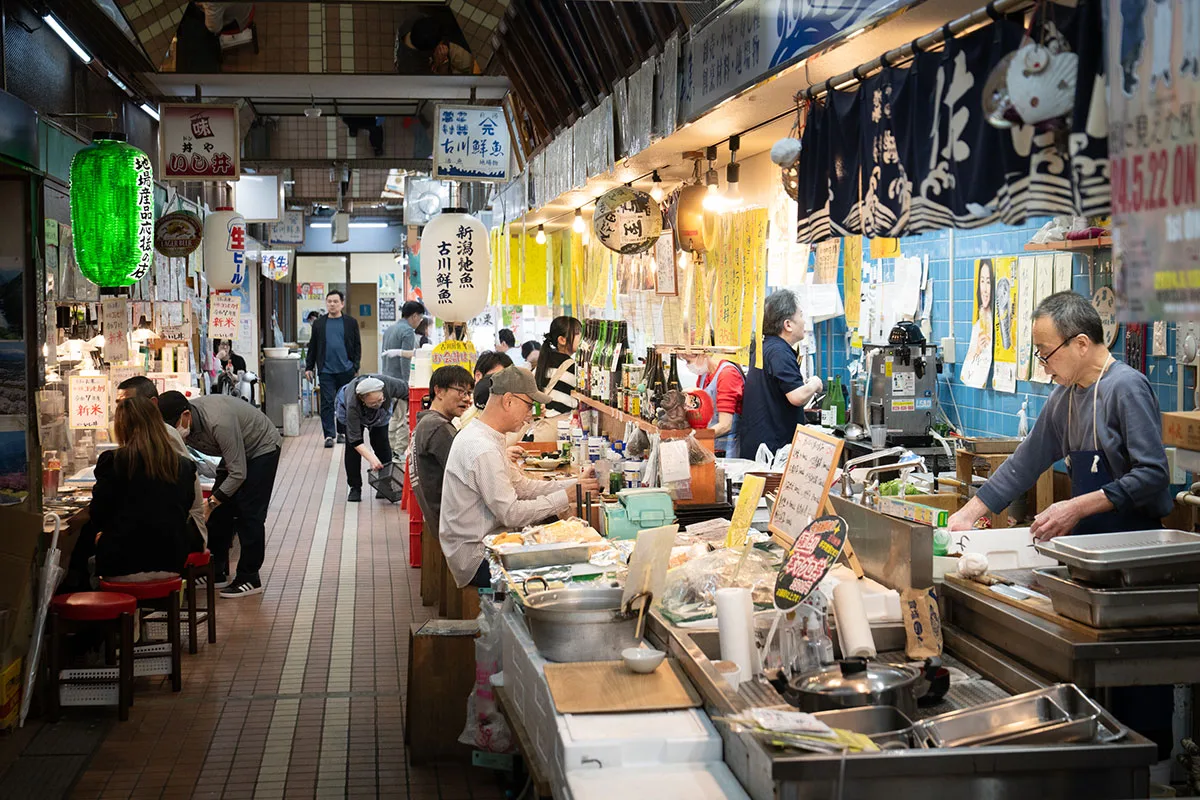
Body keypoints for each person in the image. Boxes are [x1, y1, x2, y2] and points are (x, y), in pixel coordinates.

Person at [948, 292, 1175, 761]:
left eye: (1046, 354)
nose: (1043, 365)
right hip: (1088, 560)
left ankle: (1149, 773)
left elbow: (1154, 476)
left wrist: (1078, 506)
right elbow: (1025, 461)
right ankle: (1101, 765)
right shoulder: (1065, 398)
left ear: (1082, 344)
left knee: (1135, 681)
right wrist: (967, 515)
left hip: (1134, 560)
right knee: (1092, 677)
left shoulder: (1126, 388)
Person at [440, 367, 599, 588]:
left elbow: (522, 486)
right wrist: (564, 496)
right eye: (528, 405)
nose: (530, 415)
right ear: (508, 401)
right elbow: (511, 514)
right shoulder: (482, 447)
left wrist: (575, 485)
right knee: (572, 566)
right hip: (477, 557)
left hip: (490, 543)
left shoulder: (488, 436)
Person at [159, 391, 282, 598]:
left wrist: (210, 503)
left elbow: (239, 473)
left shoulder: (218, 422)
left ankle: (249, 577)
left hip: (261, 447)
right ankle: (216, 572)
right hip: (234, 452)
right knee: (219, 514)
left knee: (249, 513)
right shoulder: (183, 426)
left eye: (174, 425)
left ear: (187, 415)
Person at [80, 397, 202, 582]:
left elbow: (99, 514)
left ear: (122, 427)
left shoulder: (113, 461)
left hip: (121, 563)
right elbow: (183, 508)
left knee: (81, 561)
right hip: (172, 561)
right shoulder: (184, 466)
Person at [115, 376, 207, 543]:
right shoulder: (138, 434)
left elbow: (177, 496)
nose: (122, 411)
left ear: (153, 404)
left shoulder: (163, 436)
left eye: (128, 404)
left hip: (180, 529)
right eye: (119, 404)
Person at [739, 290, 823, 460]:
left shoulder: (765, 347)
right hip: (772, 451)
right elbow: (797, 397)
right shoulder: (780, 352)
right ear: (788, 324)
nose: (804, 320)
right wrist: (815, 383)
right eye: (800, 315)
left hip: (759, 445)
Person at [410, 365, 474, 545]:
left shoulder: (426, 421)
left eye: (469, 393)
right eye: (461, 392)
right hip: (454, 526)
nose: (467, 399)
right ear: (438, 391)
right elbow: (470, 474)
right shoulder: (438, 427)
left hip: (440, 522)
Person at [335, 374, 409, 502]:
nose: (378, 404)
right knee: (352, 450)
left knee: (382, 444)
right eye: (373, 403)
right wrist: (372, 459)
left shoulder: (388, 384)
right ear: (362, 399)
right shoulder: (352, 403)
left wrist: (409, 410)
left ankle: (384, 485)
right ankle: (355, 487)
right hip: (350, 413)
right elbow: (355, 440)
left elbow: (409, 392)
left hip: (380, 418)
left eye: (380, 400)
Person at [305, 290, 361, 449]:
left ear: (342, 304)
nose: (332, 304)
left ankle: (342, 432)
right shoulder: (319, 324)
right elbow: (313, 347)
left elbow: (357, 345)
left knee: (345, 402)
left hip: (346, 369)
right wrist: (309, 367)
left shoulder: (350, 322)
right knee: (327, 402)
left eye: (335, 301)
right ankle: (329, 435)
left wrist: (355, 366)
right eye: (329, 301)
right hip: (326, 370)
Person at [380, 300, 426, 470]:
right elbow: (405, 359)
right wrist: (409, 382)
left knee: (392, 416)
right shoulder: (407, 331)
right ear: (414, 316)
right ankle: (396, 450)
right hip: (399, 381)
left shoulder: (390, 329)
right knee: (400, 418)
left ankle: (390, 448)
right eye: (419, 318)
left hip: (386, 377)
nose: (419, 321)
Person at [682, 352, 745, 457]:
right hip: (711, 443)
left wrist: (694, 437)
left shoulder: (727, 374)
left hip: (727, 448)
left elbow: (725, 425)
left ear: (703, 354)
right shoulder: (704, 375)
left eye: (688, 361)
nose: (687, 365)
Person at [534, 316, 583, 416]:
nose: (582, 337)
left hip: (541, 425)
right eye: (577, 333)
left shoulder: (542, 363)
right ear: (562, 340)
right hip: (560, 426)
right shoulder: (572, 367)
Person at [960, 259, 994, 388]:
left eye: (988, 282)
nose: (985, 289)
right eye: (982, 281)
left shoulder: (1000, 322)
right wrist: (978, 350)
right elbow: (966, 374)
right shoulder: (978, 325)